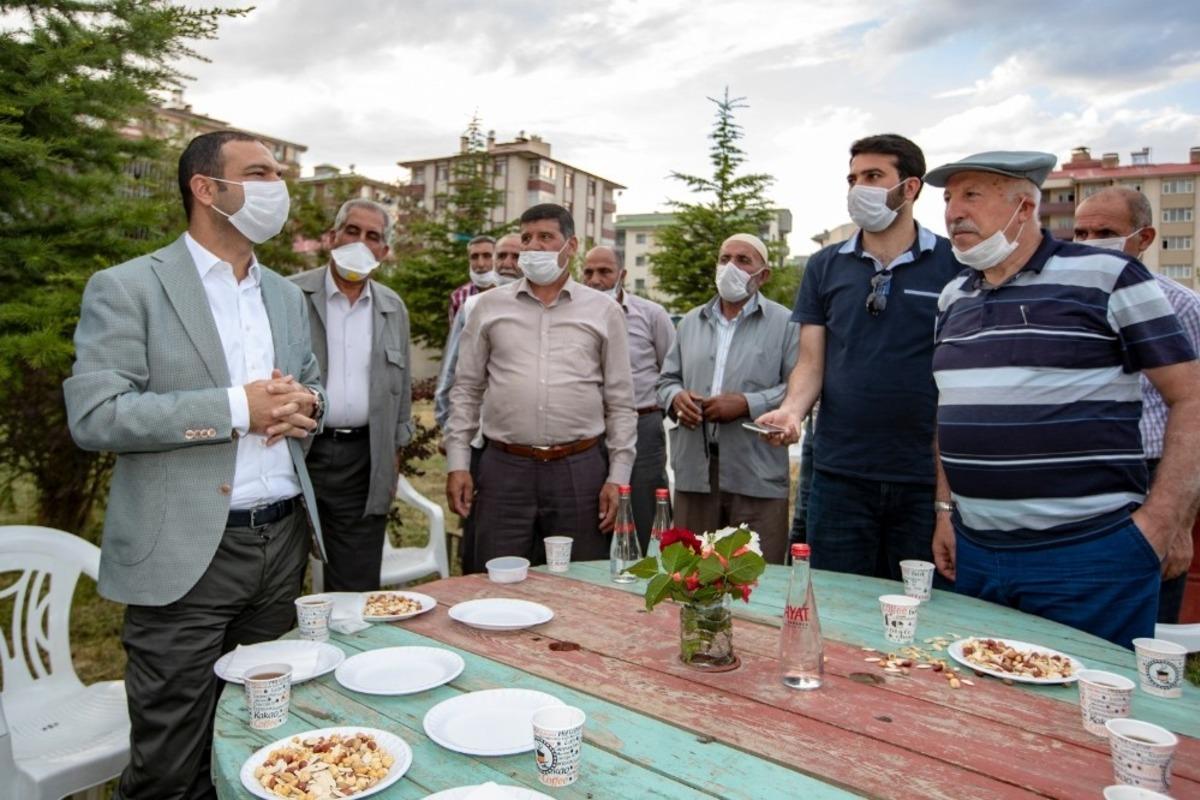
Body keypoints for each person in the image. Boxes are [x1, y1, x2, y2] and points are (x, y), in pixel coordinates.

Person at [63, 130, 326, 800]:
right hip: (185, 552)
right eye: (261, 173)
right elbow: (98, 416)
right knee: (172, 758)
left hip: (281, 541)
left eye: (280, 173)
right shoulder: (128, 288)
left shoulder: (288, 296)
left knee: (266, 738)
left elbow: (308, 387)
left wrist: (305, 406)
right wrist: (238, 407)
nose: (279, 188)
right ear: (206, 189)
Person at [926, 150, 1200, 648]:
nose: (952, 212)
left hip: (1089, 558)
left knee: (1086, 717)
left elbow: (1192, 398)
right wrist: (946, 511)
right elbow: (954, 411)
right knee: (983, 708)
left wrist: (1161, 522)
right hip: (977, 555)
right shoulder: (953, 298)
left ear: (1025, 208)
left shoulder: (1109, 275)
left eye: (971, 195)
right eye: (947, 199)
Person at [757, 134, 962, 579]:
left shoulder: (955, 265)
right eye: (852, 178)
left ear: (910, 188)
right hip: (840, 474)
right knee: (836, 607)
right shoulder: (825, 265)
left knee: (919, 614)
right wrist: (791, 412)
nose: (858, 188)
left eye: (873, 176)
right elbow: (812, 362)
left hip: (922, 477)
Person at [444, 204, 636, 565]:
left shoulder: (603, 311)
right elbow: (466, 389)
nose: (533, 247)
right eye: (527, 238)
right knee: (496, 578)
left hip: (579, 469)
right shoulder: (486, 307)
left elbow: (621, 402)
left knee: (579, 582)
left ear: (572, 245)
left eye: (546, 237)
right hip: (504, 467)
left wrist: (619, 477)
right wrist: (458, 463)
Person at [1074, 186, 1200, 624]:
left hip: (1151, 478)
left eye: (1105, 231)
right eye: (1081, 232)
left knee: (1146, 624)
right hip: (1084, 480)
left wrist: (1180, 523)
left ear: (1144, 238)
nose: (1091, 242)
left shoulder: (1179, 306)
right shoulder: (1066, 303)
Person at [289, 198, 414, 591]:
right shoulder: (289, 296)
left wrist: (392, 460)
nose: (361, 242)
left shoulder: (392, 308)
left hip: (363, 459)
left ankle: (348, 648)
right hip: (296, 452)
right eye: (352, 231)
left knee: (356, 586)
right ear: (332, 237)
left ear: (384, 252)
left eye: (373, 236)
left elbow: (402, 396)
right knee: (279, 576)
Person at [658, 233, 799, 563]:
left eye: (743, 260)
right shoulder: (691, 322)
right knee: (691, 572)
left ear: (763, 275)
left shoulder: (787, 323)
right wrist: (677, 398)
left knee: (756, 576)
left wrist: (748, 404)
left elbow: (798, 388)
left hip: (756, 467)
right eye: (725, 259)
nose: (731, 267)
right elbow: (666, 380)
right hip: (696, 467)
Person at [434, 231, 522, 573]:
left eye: (515, 256)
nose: (506, 264)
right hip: (481, 444)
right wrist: (454, 438)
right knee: (483, 538)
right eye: (502, 256)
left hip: (524, 450)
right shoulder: (472, 306)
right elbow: (449, 380)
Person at [581, 245, 675, 551]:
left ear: (622, 275)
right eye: (588, 272)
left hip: (642, 427)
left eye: (605, 272)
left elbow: (671, 373)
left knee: (642, 511)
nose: (595, 280)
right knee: (593, 511)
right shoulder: (573, 316)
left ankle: (646, 581)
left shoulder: (652, 315)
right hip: (589, 429)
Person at [448, 234, 495, 328]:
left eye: (487, 256)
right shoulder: (458, 296)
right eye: (474, 257)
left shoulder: (511, 291)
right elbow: (456, 337)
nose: (481, 264)